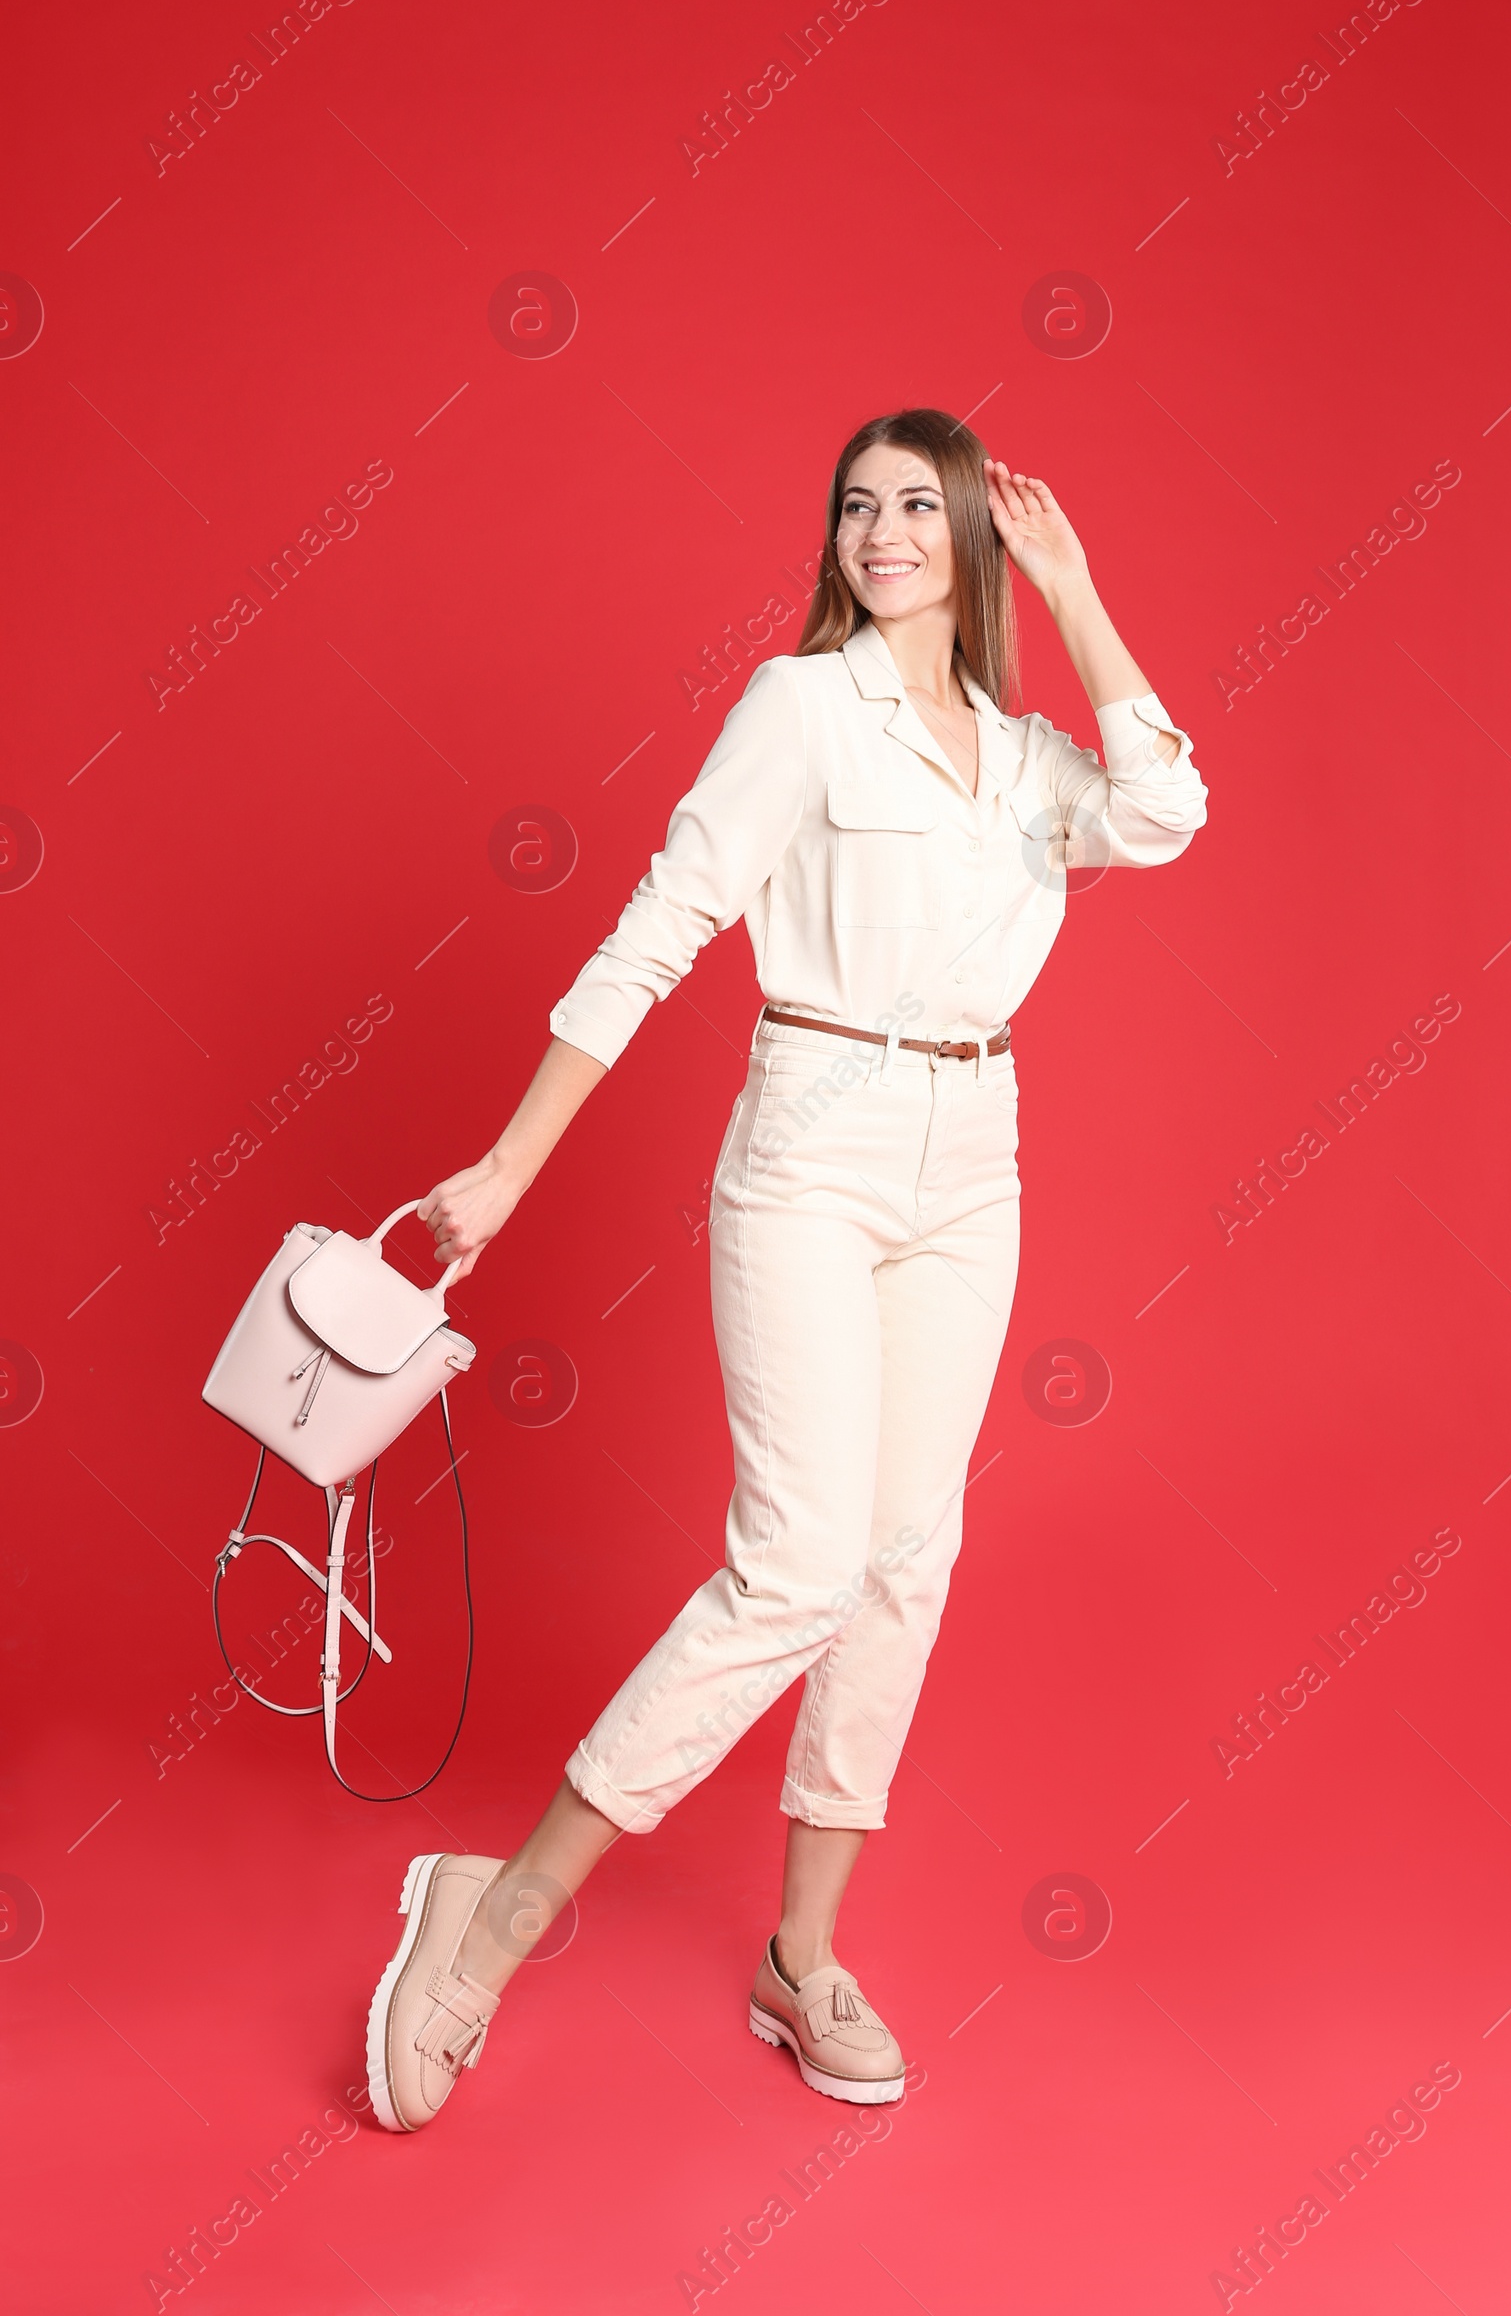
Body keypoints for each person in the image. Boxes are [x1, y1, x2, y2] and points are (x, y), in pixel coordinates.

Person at [363, 408, 1208, 2130]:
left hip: (975, 1166)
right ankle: (492, 1918)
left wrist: (1078, 584)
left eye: (918, 506)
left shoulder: (1035, 760)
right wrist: (512, 1167)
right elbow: (659, 924)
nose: (880, 531)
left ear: (976, 537)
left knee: (907, 1556)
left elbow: (1170, 809)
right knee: (798, 1564)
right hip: (811, 1145)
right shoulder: (800, 708)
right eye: (854, 506)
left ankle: (800, 1960)